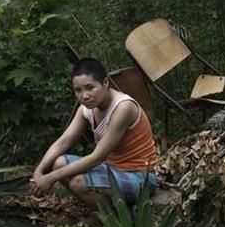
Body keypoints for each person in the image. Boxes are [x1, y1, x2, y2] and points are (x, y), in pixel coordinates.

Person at [31, 58, 158, 207]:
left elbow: (97, 157)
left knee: (78, 183)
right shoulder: (87, 109)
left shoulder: (123, 108)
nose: (84, 96)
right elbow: (63, 142)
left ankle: (117, 221)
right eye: (78, 90)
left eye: (90, 87)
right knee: (59, 163)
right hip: (111, 170)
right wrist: (38, 172)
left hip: (141, 177)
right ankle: (103, 209)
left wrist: (50, 178)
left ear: (105, 83)